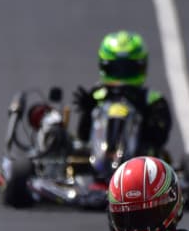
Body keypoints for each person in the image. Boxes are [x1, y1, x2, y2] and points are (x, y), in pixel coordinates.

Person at [72, 30, 173, 159]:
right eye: (116, 69)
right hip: (95, 158)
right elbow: (83, 135)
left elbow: (160, 137)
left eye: (128, 69)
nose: (121, 77)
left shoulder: (151, 99)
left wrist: (142, 110)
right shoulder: (96, 95)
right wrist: (87, 110)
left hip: (138, 160)